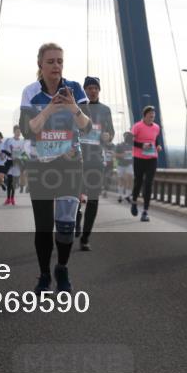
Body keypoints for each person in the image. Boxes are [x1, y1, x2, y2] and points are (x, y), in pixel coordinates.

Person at [19, 43, 92, 293]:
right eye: (50, 61)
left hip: (70, 164)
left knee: (65, 224)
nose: (56, 66)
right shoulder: (30, 92)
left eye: (60, 61)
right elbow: (28, 129)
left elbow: (87, 127)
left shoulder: (74, 89)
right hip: (40, 165)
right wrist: (50, 108)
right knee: (43, 226)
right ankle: (43, 275)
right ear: (40, 64)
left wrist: (73, 108)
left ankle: (62, 267)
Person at [76, 76, 114, 250]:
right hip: (78, 159)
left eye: (95, 88)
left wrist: (108, 136)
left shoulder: (105, 110)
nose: (92, 91)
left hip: (96, 160)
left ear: (99, 90)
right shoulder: (78, 107)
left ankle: (85, 238)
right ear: (84, 90)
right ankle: (76, 218)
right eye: (89, 88)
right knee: (75, 196)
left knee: (93, 199)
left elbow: (111, 132)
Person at [128, 106, 162, 221]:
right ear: (145, 115)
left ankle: (145, 211)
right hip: (139, 158)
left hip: (152, 159)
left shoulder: (156, 127)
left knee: (148, 184)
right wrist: (142, 145)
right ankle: (134, 202)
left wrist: (158, 145)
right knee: (138, 182)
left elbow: (155, 138)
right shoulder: (137, 126)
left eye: (153, 114)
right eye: (150, 114)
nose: (152, 116)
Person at [5, 125, 28, 205]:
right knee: (9, 182)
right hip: (10, 163)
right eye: (17, 131)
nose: (18, 133)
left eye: (19, 132)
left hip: (17, 164)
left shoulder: (22, 142)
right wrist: (10, 155)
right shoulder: (9, 141)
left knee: (14, 183)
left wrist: (21, 157)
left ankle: (12, 198)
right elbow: (7, 151)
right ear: (14, 132)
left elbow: (23, 153)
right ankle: (8, 198)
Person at [115, 132, 135, 203]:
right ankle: (120, 195)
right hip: (121, 165)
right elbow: (115, 155)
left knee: (130, 179)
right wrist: (122, 155)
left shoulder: (133, 145)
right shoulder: (119, 145)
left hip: (129, 165)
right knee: (121, 180)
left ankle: (127, 195)